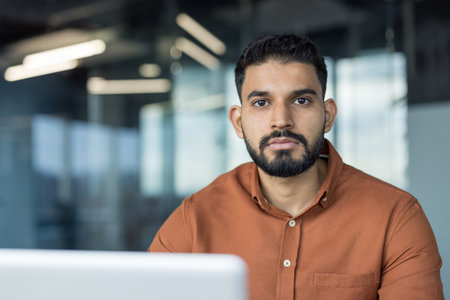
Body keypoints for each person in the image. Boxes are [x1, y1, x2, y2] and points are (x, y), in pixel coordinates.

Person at [148, 34, 443, 299]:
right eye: (262, 103)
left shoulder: (395, 217)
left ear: (327, 115)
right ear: (238, 122)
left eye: (301, 100)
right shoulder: (194, 219)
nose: (281, 120)